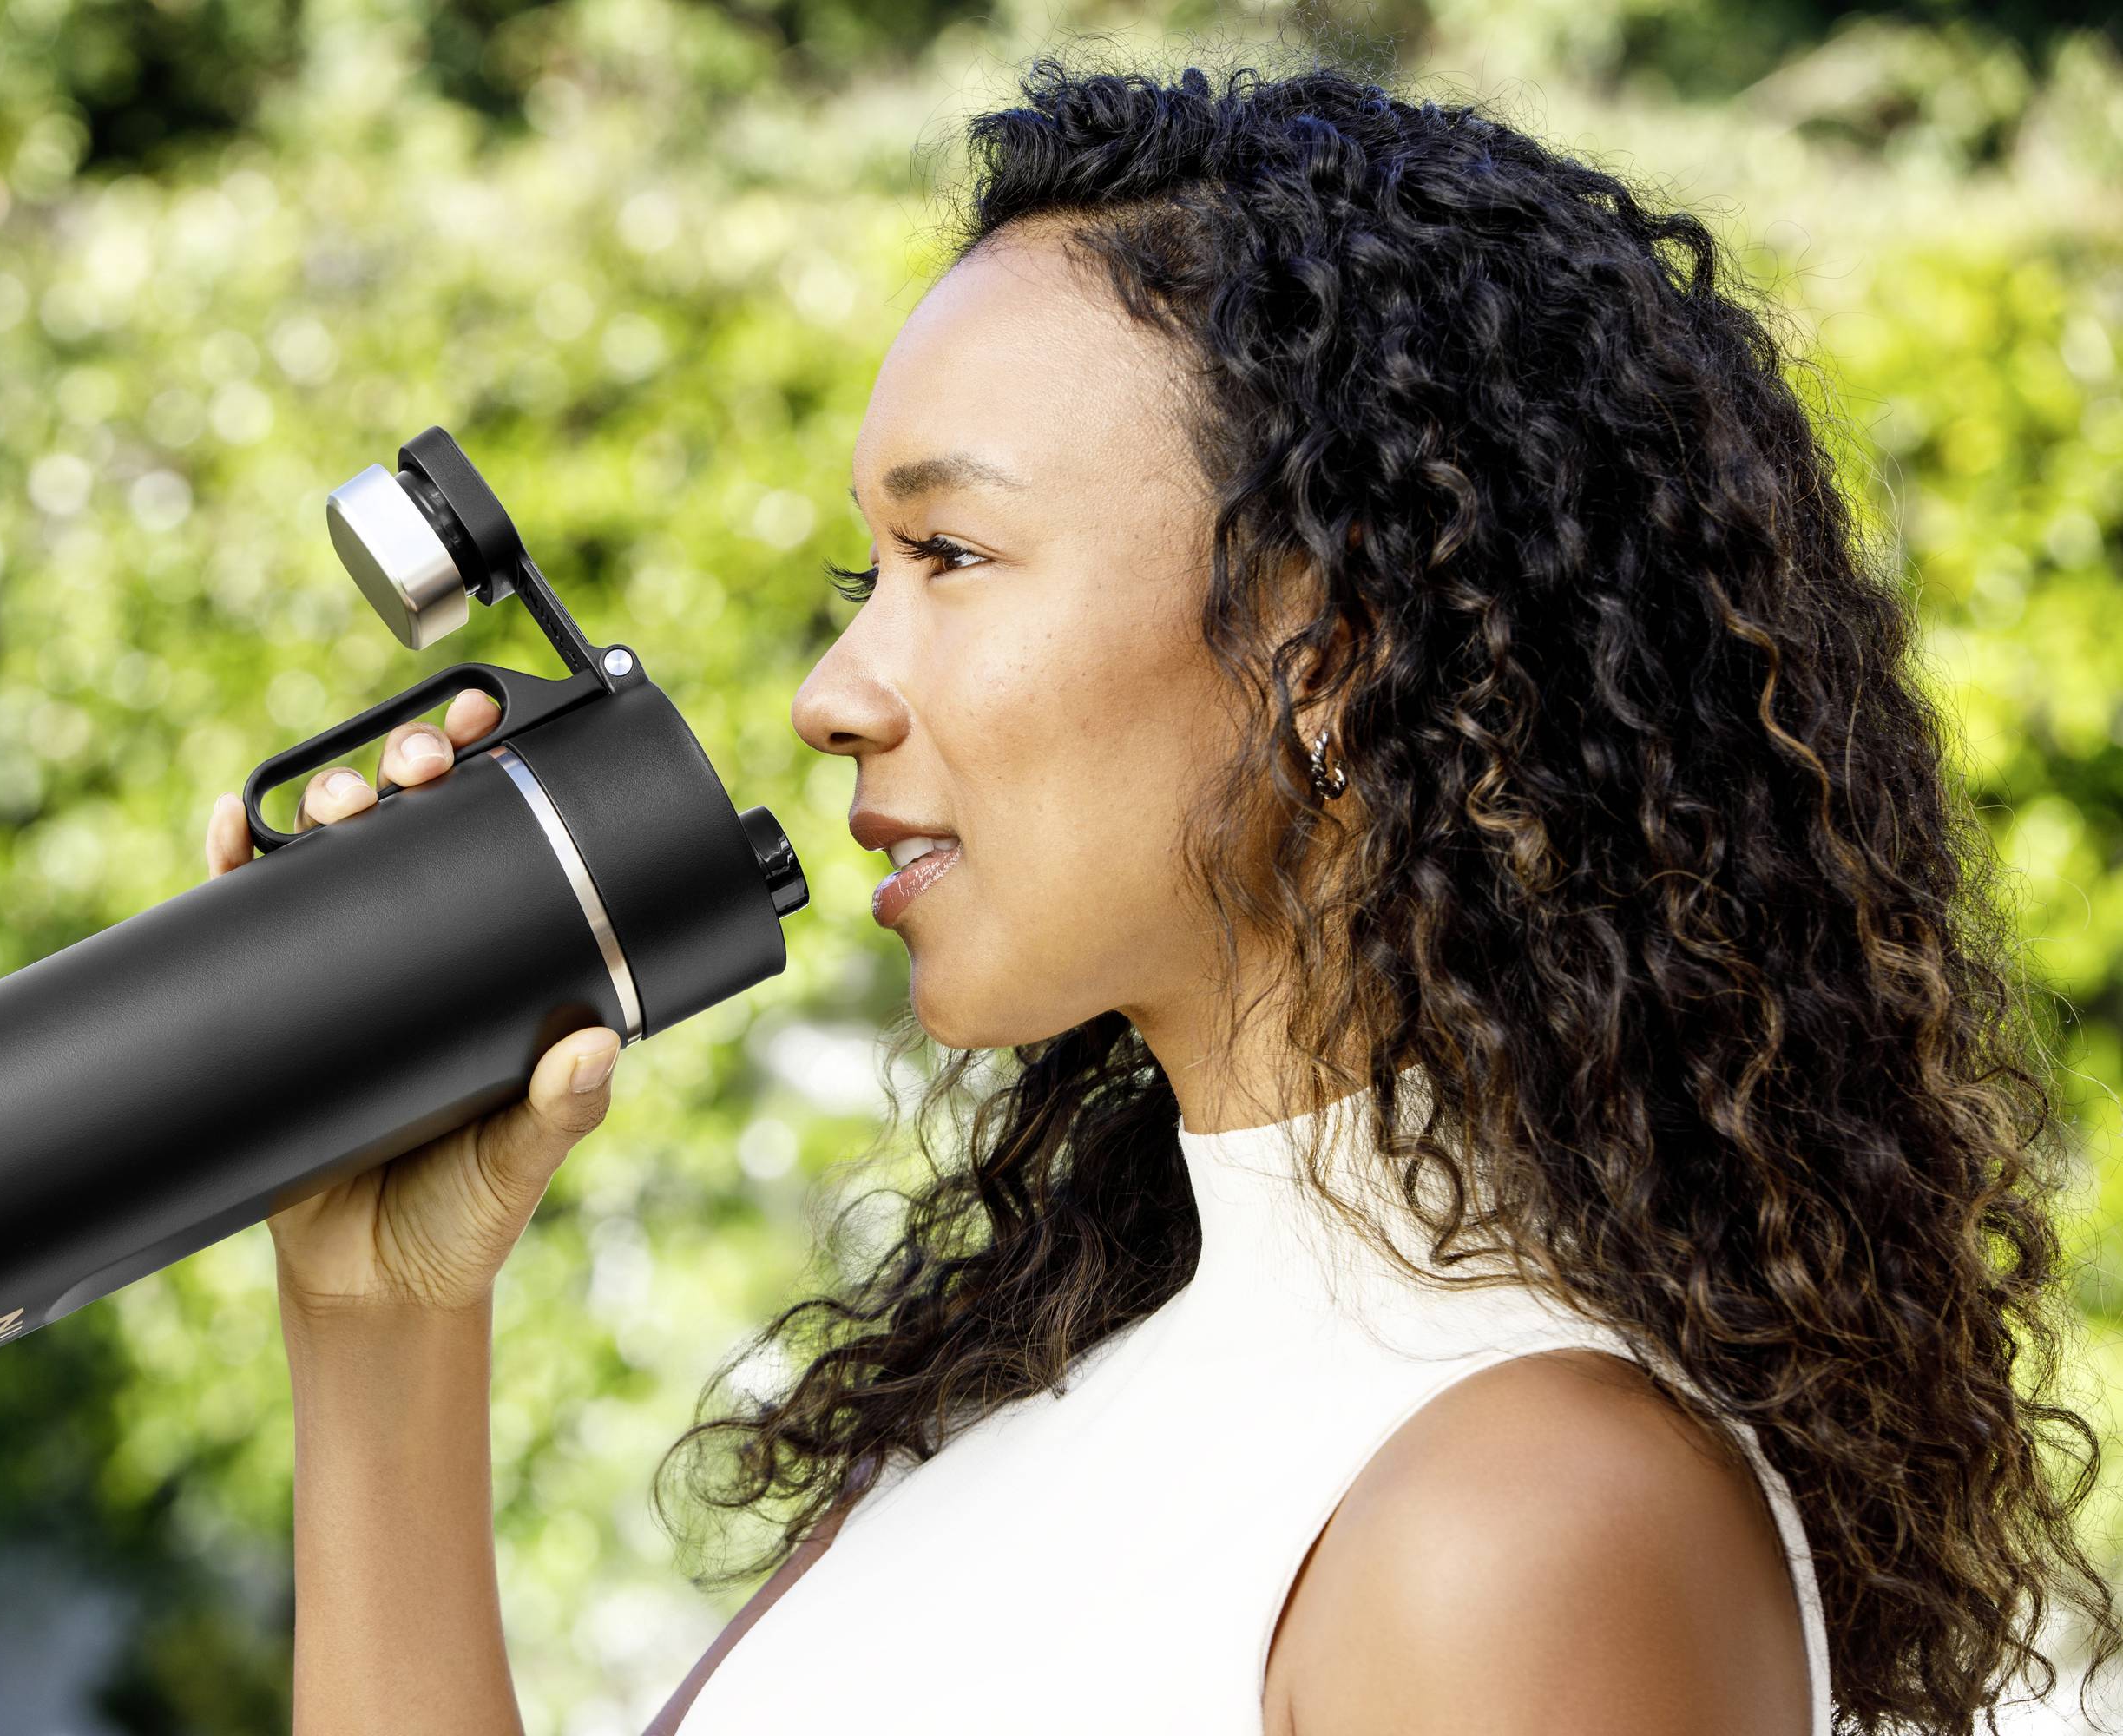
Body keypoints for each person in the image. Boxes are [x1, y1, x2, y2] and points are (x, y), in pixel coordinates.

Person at [201, 56, 2121, 1736]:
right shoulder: (1017, 1424)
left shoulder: (1521, 1520)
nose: (835, 691)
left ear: (1331, 658)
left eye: (949, 553)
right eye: (862, 578)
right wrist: (381, 1325)